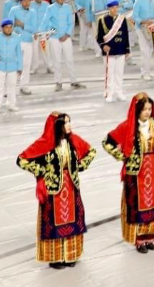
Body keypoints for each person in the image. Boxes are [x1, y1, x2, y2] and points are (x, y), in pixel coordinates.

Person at [16, 112, 96, 269]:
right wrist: (41, 170)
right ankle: (56, 257)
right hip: (54, 190)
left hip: (71, 187)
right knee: (53, 223)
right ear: (57, 126)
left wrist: (81, 165)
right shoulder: (45, 143)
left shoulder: (73, 140)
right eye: (66, 122)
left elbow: (91, 151)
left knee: (72, 221)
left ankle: (71, 254)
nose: (69, 125)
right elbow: (22, 159)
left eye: (69, 122)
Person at [102, 93, 154, 252]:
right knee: (138, 206)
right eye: (144, 109)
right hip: (136, 173)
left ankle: (150, 237)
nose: (148, 112)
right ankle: (139, 240)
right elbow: (107, 142)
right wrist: (123, 157)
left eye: (150, 109)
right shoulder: (127, 126)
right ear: (137, 110)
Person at [97, 0, 132, 103]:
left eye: (116, 7)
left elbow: (125, 35)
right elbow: (99, 37)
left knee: (119, 72)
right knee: (109, 73)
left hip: (120, 48)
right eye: (112, 7)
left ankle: (119, 92)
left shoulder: (122, 19)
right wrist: (103, 46)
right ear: (109, 8)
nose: (115, 9)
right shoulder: (102, 20)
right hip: (109, 50)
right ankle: (109, 93)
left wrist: (127, 49)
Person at [45, 0, 81, 91]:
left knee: (69, 59)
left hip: (66, 38)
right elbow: (46, 22)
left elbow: (70, 23)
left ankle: (73, 81)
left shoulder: (67, 7)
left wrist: (67, 34)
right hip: (54, 38)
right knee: (56, 60)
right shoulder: (50, 8)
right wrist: (50, 32)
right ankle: (58, 82)